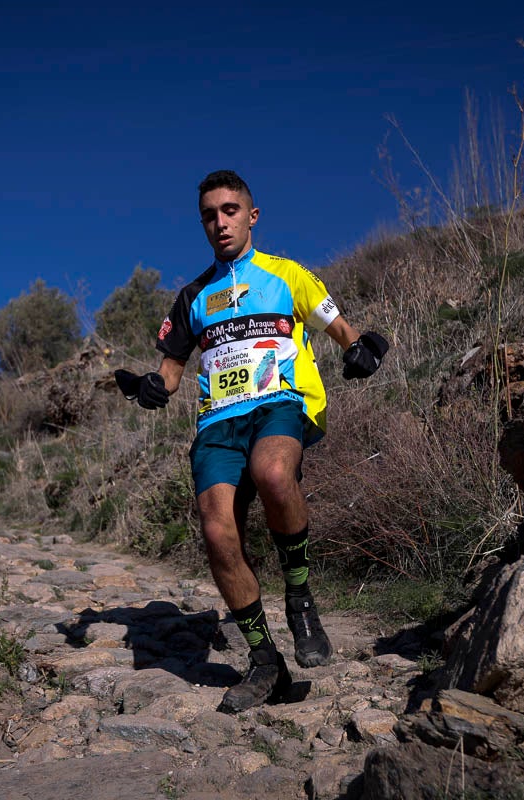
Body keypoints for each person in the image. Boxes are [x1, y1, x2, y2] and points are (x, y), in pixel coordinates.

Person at [118, 170, 388, 713]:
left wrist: (362, 348)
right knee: (218, 534)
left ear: (252, 215)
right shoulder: (193, 296)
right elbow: (171, 367)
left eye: (230, 210)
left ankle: (300, 594)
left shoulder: (288, 276)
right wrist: (155, 387)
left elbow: (342, 329)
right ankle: (266, 661)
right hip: (218, 421)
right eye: (209, 215)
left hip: (280, 404)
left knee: (272, 474)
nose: (220, 222)